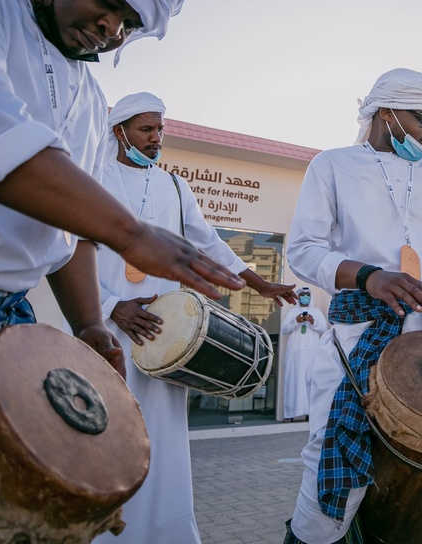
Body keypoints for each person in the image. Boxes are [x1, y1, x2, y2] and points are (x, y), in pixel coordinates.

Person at [0, 0, 245, 374]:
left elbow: (70, 231)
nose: (112, 29)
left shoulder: (90, 101)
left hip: (8, 312)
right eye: (108, 3)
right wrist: (133, 234)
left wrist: (88, 323)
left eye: (130, 23)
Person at [283, 68, 422, 544]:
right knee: (332, 462)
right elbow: (303, 250)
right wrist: (369, 276)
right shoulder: (333, 165)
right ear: (386, 113)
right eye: (421, 115)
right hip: (358, 336)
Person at [94, 92, 296, 544]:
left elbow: (210, 245)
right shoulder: (93, 180)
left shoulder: (174, 187)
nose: (156, 138)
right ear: (119, 131)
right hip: (101, 330)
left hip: (162, 334)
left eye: (160, 129)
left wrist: (261, 284)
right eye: (147, 129)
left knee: (162, 440)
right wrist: (112, 307)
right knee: (104, 430)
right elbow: (71, 251)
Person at [281, 287, 328, 421]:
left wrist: (313, 322)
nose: (305, 296)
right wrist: (296, 321)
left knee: (311, 382)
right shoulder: (293, 313)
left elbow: (324, 329)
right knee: (294, 382)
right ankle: (290, 414)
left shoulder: (316, 312)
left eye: (307, 294)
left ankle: (310, 413)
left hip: (312, 353)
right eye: (302, 294)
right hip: (295, 355)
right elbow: (284, 329)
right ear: (298, 296)